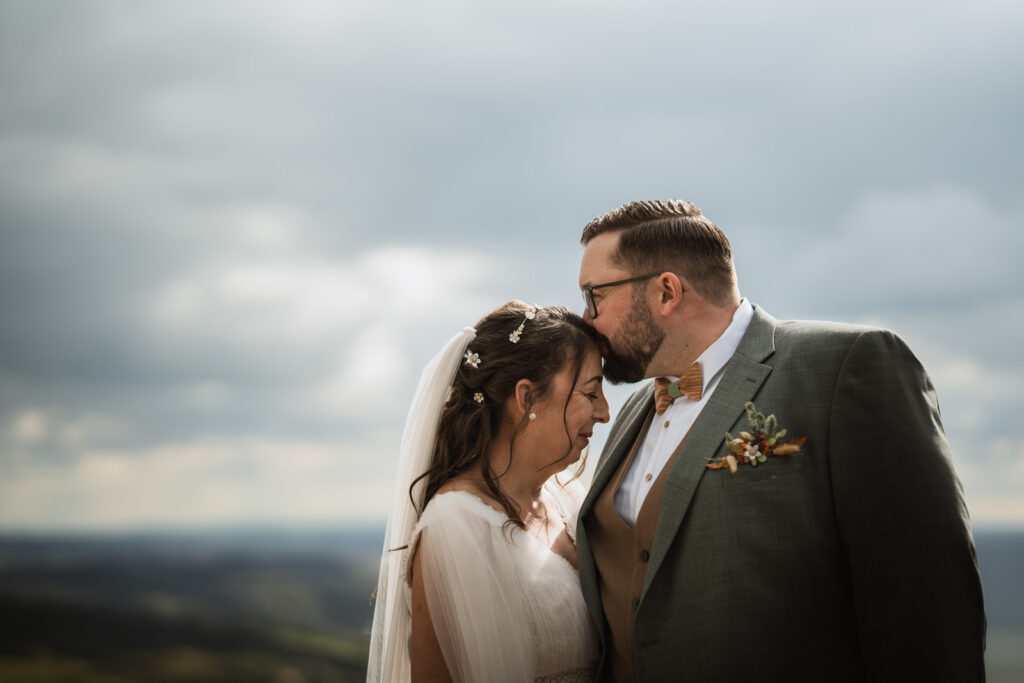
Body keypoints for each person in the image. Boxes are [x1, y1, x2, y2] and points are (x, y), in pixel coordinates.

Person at [574, 200, 986, 682]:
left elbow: (928, 601)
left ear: (666, 291)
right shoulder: (634, 413)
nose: (586, 318)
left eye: (594, 295)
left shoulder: (844, 366)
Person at [367, 301, 611, 683]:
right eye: (591, 393)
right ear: (526, 398)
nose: (605, 412)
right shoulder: (455, 525)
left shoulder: (570, 497)